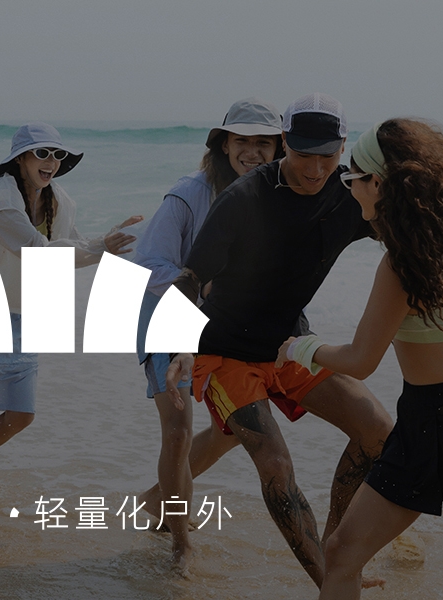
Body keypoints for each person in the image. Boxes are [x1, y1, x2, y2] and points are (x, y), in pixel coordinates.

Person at [164, 94, 394, 587]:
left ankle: (337, 545)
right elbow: (190, 277)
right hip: (224, 352)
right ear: (285, 142)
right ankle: (329, 580)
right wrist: (180, 344)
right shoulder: (244, 199)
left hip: (288, 345)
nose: (315, 168)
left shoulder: (350, 194)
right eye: (303, 153)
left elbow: (407, 232)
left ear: (344, 148)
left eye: (327, 156)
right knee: (274, 464)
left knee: (378, 431)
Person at [276, 119, 443, 599]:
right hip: (429, 418)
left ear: (379, 183)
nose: (349, 189)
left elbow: (360, 361)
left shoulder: (404, 263)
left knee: (342, 554)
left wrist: (298, 348)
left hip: (430, 421)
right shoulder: (440, 246)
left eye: (352, 178)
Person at [0, 122, 141, 502]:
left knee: (21, 415)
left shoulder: (61, 202)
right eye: (42, 153)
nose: (51, 161)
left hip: (23, 315)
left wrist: (112, 241)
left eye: (57, 155)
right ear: (21, 159)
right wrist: (100, 247)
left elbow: (70, 250)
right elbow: (36, 251)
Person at [134, 97, 283, 569]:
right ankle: (180, 542)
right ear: (223, 145)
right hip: (167, 315)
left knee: (237, 426)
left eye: (264, 143)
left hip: (225, 322)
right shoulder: (188, 194)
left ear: (279, 149)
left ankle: (158, 498)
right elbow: (147, 263)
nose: (252, 152)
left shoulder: (277, 197)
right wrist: (203, 283)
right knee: (178, 431)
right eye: (242, 141)